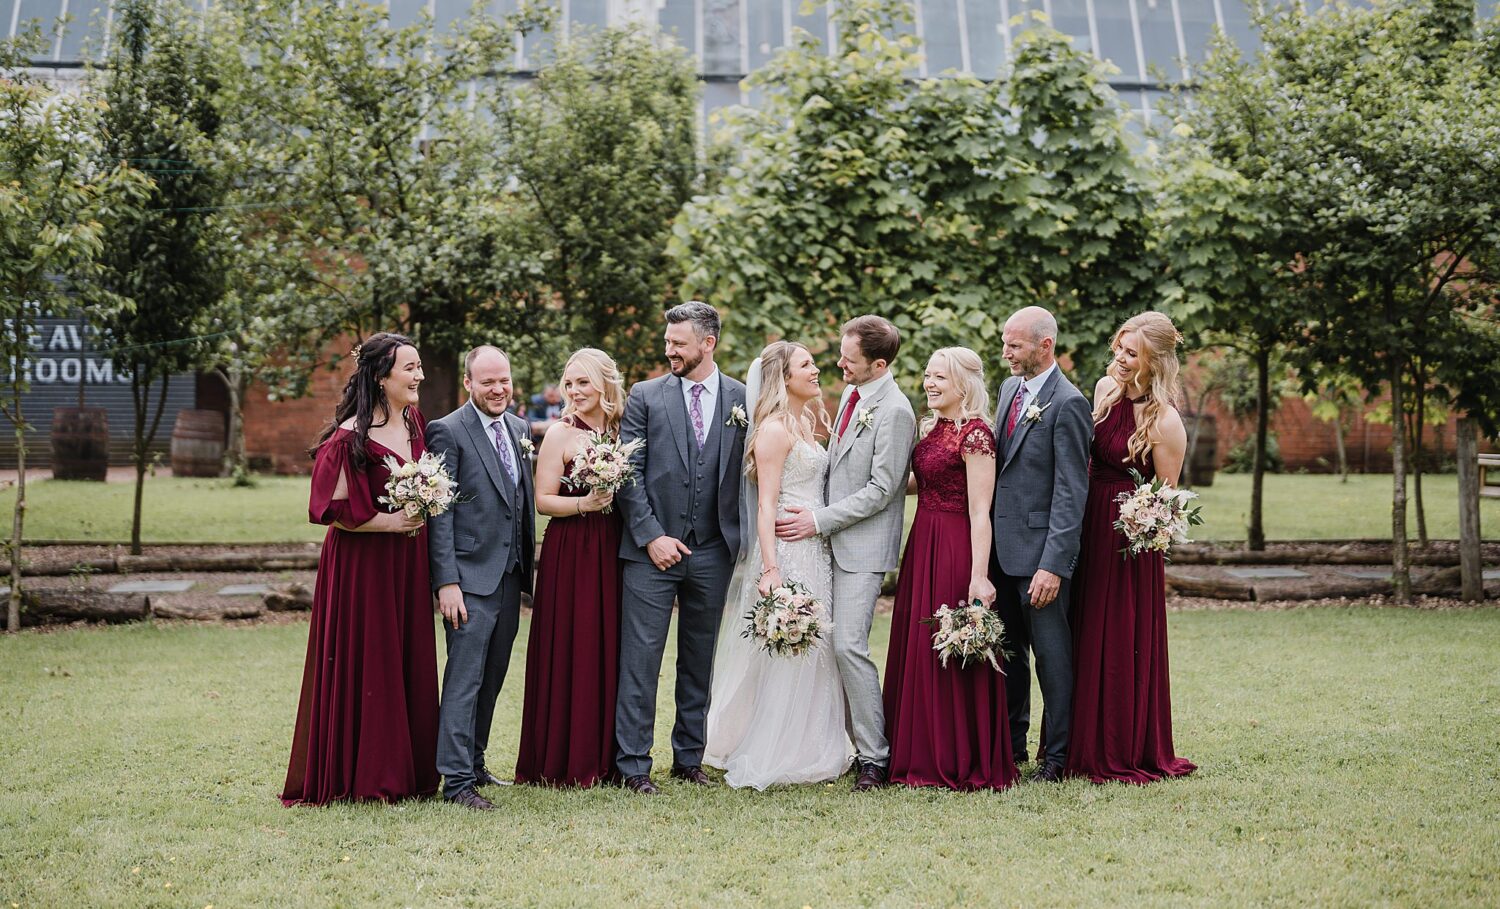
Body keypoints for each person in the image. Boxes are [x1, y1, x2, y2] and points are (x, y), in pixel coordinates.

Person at [282, 332, 438, 806]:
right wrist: (390, 522)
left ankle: (412, 771)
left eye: (419, 366)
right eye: (410, 368)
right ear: (380, 375)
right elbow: (333, 507)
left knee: (404, 655)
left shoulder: (415, 423)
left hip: (407, 562)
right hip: (362, 567)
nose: (419, 376)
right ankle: (367, 774)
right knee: (371, 658)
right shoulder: (350, 436)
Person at [775, 315, 916, 791]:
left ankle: (875, 757)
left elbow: (882, 489)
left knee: (849, 645)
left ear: (878, 364)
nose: (839, 364)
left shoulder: (895, 411)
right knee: (826, 645)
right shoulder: (853, 399)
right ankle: (839, 744)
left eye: (849, 359)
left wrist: (817, 519)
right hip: (827, 547)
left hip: (861, 548)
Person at [613, 301, 748, 795]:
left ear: (707, 344)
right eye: (667, 342)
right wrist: (651, 536)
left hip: (714, 550)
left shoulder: (742, 397)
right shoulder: (645, 395)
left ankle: (688, 758)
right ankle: (633, 766)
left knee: (699, 659)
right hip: (651, 553)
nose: (668, 350)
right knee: (641, 660)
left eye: (678, 343)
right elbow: (627, 472)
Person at [704, 341, 852, 790]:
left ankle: (816, 742)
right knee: (790, 645)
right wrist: (771, 570)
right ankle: (780, 746)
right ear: (784, 377)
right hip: (787, 553)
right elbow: (766, 505)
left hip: (816, 548)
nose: (816, 369)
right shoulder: (772, 430)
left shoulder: (806, 421)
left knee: (817, 644)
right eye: (806, 364)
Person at [1067, 312, 1197, 784]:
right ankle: (1075, 745)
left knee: (1119, 639)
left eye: (1132, 353)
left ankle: (1122, 745)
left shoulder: (1166, 422)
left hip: (1128, 548)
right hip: (1087, 527)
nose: (1120, 360)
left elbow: (1168, 500)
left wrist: (1141, 523)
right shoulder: (1104, 392)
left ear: (1156, 360)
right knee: (1083, 634)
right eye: (1119, 349)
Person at [883, 348, 1016, 791]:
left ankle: (954, 754)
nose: (929, 383)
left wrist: (980, 577)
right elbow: (921, 482)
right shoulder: (933, 429)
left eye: (939, 377)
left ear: (963, 383)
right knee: (919, 645)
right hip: (923, 542)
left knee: (949, 642)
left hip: (958, 545)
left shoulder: (977, 436)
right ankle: (913, 748)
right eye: (927, 375)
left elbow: (982, 511)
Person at [426, 346, 537, 811]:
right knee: (464, 679)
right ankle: (454, 782)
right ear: (468, 383)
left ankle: (474, 762)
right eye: (488, 382)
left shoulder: (518, 428)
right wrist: (446, 581)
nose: (498, 389)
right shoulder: (447, 431)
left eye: (504, 380)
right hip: (469, 579)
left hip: (509, 576)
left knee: (492, 677)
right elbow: (440, 512)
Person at [514, 349, 626, 788]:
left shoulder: (623, 431)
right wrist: (584, 502)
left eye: (583, 383)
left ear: (604, 384)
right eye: (570, 383)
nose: (575, 392)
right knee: (571, 642)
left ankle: (611, 756)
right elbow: (543, 500)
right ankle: (563, 757)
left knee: (610, 642)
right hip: (571, 547)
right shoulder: (560, 435)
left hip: (615, 545)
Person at [990, 306, 1092, 782]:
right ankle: (1013, 750)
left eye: (1015, 345)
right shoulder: (1009, 389)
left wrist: (1053, 565)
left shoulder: (1070, 402)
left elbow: (1073, 492)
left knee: (1052, 661)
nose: (1006, 352)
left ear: (1044, 345)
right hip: (1001, 552)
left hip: (1040, 560)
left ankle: (1057, 758)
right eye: (1005, 343)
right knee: (1009, 655)